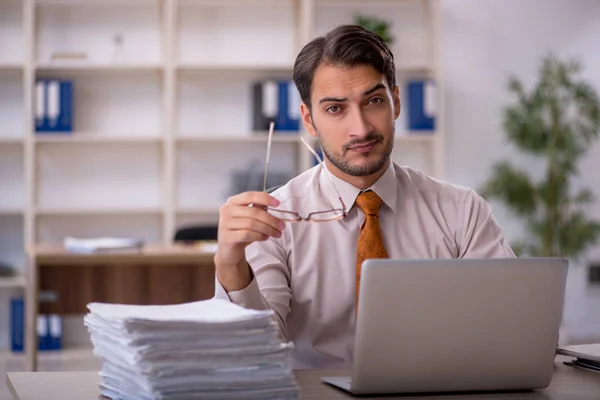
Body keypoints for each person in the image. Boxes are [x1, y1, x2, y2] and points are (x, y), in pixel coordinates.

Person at [213, 24, 515, 369]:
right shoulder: (274, 219)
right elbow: (257, 358)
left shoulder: (462, 212)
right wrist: (231, 264)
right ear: (309, 121)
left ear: (396, 102)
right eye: (335, 109)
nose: (360, 129)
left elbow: (508, 329)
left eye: (373, 101)